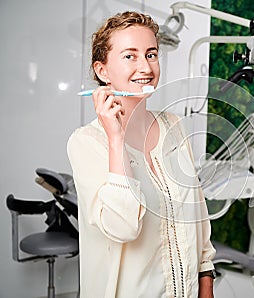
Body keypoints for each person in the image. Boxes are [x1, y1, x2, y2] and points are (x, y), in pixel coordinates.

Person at [67, 11, 216, 298]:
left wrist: (206, 282)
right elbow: (122, 228)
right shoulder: (86, 143)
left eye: (151, 54)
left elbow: (199, 215)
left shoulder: (175, 126)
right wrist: (116, 138)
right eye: (130, 56)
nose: (145, 67)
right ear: (102, 71)